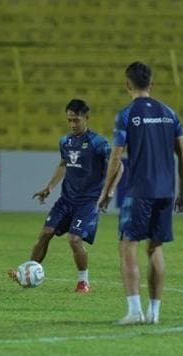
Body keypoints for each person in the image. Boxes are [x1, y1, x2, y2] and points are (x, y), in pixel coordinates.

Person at [98, 61, 183, 325]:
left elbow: (116, 157)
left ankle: (134, 311)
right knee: (156, 249)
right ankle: (154, 313)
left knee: (128, 246)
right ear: (152, 84)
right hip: (165, 191)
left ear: (127, 84)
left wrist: (105, 192)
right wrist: (182, 190)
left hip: (138, 190)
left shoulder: (126, 115)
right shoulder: (170, 114)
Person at [9, 99, 122, 292]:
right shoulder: (66, 141)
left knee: (74, 239)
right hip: (66, 199)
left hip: (87, 202)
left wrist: (109, 191)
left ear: (86, 118)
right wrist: (49, 187)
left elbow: (119, 166)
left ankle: (83, 282)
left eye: (76, 120)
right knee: (45, 233)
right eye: (69, 120)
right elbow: (64, 164)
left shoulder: (98, 143)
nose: (72, 124)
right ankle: (27, 274)